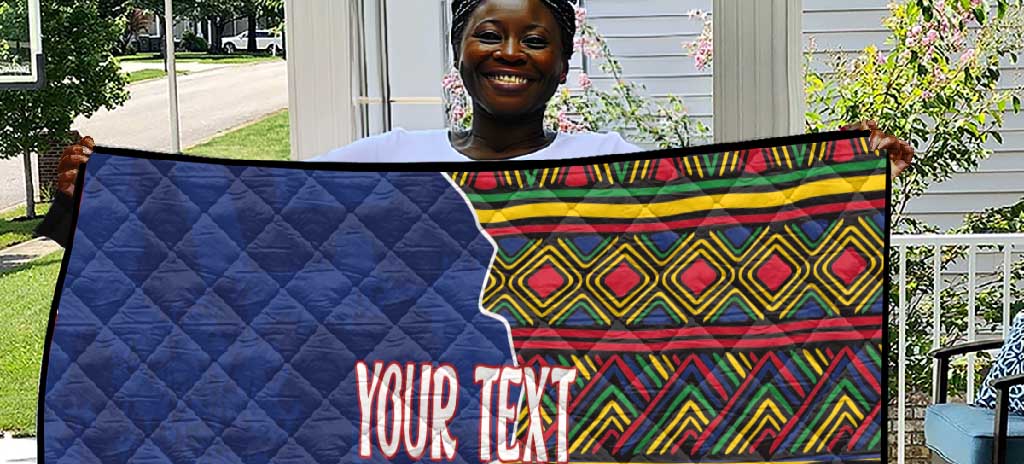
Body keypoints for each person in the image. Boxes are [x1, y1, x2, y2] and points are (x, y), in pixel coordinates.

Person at [40, 0, 914, 245]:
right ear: (459, 50)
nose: (511, 51)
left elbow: (732, 226)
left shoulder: (613, 162)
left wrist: (849, 172)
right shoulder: (386, 157)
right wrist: (104, 195)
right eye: (489, 33)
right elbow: (253, 222)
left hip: (564, 439)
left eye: (536, 39)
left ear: (563, 62)